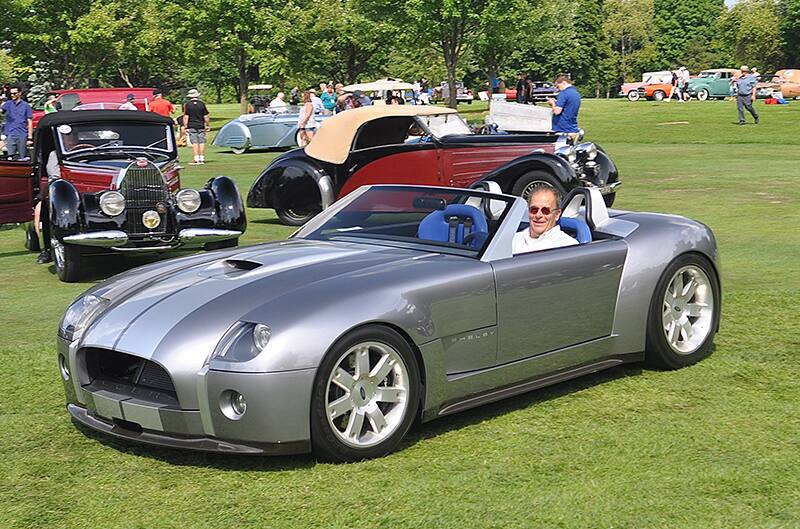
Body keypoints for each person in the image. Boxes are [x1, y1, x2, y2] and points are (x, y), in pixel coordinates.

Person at [513, 183, 578, 254]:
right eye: (534, 210)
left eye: (545, 211)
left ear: (557, 214)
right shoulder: (512, 240)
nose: (538, 215)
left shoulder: (568, 247)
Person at [0, 86, 33, 160]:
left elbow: (29, 122)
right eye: (11, 93)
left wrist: (30, 137)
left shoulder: (26, 106)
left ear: (19, 93)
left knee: (23, 157)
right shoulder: (8, 104)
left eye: (14, 93)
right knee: (10, 157)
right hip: (10, 133)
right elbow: (1, 111)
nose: (12, 95)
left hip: (22, 134)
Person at [183, 88, 210, 164]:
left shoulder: (187, 105)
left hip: (191, 125)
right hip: (201, 125)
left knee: (194, 142)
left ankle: (196, 158)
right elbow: (206, 116)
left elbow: (186, 116)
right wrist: (207, 125)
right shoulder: (202, 104)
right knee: (202, 141)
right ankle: (202, 158)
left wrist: (185, 126)